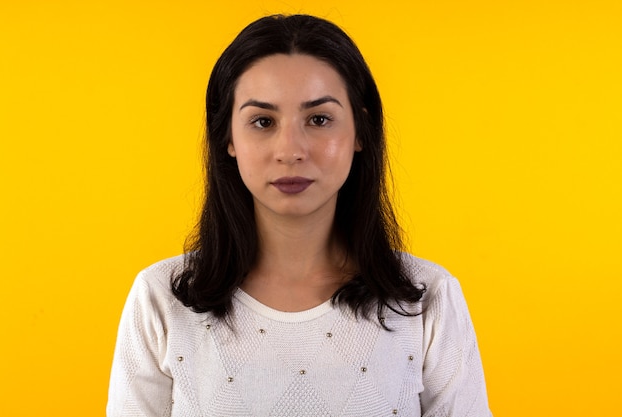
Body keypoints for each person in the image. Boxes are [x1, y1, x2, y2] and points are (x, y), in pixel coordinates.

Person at [107, 14, 492, 417]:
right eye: (262, 122)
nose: (290, 150)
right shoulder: (161, 302)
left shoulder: (428, 299)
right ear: (228, 138)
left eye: (319, 119)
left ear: (360, 131)